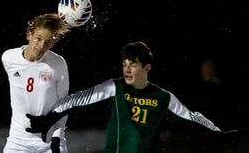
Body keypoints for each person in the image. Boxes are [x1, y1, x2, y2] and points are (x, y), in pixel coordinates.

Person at [26, 41, 225, 152]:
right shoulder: (115, 87)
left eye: (133, 64)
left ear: (147, 68)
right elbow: (76, 100)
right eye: (124, 64)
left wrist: (219, 132)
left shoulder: (163, 97)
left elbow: (191, 116)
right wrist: (49, 117)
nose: (127, 69)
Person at [1, 13, 70, 153]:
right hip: (18, 141)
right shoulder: (8, 58)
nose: (42, 45)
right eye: (38, 39)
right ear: (29, 34)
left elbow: (64, 104)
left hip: (49, 141)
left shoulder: (58, 64)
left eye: (48, 42)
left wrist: (56, 138)